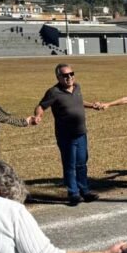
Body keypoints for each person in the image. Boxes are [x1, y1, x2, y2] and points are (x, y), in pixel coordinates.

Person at [32, 63, 98, 206]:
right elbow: (41, 106)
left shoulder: (77, 87)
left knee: (82, 163)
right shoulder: (53, 92)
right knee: (70, 165)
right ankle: (73, 194)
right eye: (65, 75)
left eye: (71, 74)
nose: (69, 77)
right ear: (58, 77)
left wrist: (92, 105)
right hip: (66, 136)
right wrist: (38, 116)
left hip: (81, 134)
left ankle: (84, 191)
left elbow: (79, 102)